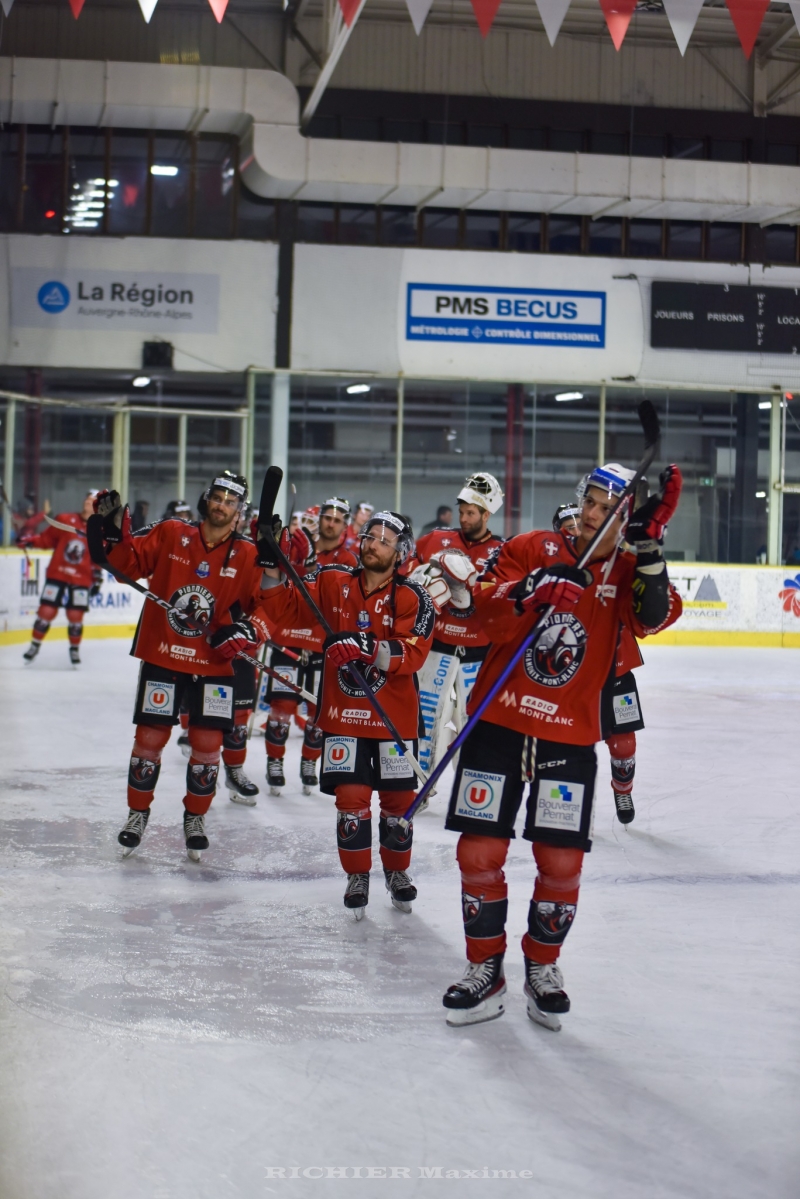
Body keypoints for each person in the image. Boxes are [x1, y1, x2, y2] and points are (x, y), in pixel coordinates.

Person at [440, 461, 683, 1029]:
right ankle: (485, 969)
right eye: (591, 504)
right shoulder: (534, 545)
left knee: (561, 861)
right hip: (499, 723)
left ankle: (542, 966)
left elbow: (654, 616)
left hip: (569, 735)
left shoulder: (627, 566)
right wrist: (530, 588)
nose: (595, 517)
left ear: (626, 519)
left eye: (610, 511)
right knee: (478, 853)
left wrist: (649, 550)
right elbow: (476, 609)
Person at [258, 510, 434, 917]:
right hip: (345, 717)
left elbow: (413, 652)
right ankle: (357, 875)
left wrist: (367, 648)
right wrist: (271, 568)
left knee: (397, 803)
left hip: (394, 720)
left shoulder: (413, 597)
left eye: (384, 540)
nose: (373, 543)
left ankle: (397, 873)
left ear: (401, 553)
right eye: (370, 536)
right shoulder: (332, 580)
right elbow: (284, 607)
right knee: (351, 799)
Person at [94, 470, 266, 862]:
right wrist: (111, 533)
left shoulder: (250, 554)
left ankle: (195, 819)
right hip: (164, 655)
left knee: (207, 747)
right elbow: (128, 567)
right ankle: (137, 815)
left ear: (240, 511)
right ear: (208, 499)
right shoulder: (172, 532)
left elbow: (268, 607)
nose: (222, 505)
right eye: (217, 496)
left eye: (231, 500)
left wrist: (247, 629)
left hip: (215, 664)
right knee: (149, 741)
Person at [553, 502, 644, 826]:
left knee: (624, 744)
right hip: (570, 673)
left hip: (615, 666)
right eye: (567, 526)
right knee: (570, 743)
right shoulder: (553, 566)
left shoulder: (615, 561)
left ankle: (623, 788)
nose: (575, 529)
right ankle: (571, 801)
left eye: (578, 522)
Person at [408, 472, 504, 776]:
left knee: (476, 722)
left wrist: (473, 586)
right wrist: (419, 579)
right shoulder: (437, 540)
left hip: (479, 652)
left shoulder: (501, 552)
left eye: (471, 513)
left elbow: (506, 598)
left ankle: (474, 788)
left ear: (486, 514)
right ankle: (420, 781)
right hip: (438, 646)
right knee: (425, 715)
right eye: (461, 511)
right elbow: (406, 570)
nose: (464, 518)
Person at [20, 491, 102, 666]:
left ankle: (74, 650)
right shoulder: (65, 519)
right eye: (87, 498)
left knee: (75, 615)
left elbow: (100, 558)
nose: (88, 501)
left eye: (93, 500)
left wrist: (97, 577)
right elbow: (47, 539)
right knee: (46, 611)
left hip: (81, 577)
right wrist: (30, 541)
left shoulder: (101, 531)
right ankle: (34, 646)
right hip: (59, 572)